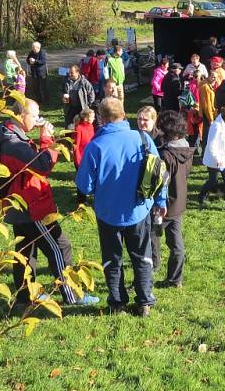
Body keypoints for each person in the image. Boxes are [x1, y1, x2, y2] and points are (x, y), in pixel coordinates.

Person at [0, 99, 99, 306]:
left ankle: (25, 296)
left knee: (25, 252)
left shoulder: (7, 134)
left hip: (17, 204)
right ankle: (72, 294)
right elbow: (42, 165)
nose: (39, 119)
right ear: (20, 116)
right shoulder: (13, 144)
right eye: (35, 115)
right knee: (60, 247)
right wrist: (47, 139)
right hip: (31, 206)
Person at [76, 97, 164, 315]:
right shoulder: (143, 138)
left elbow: (84, 186)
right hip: (139, 209)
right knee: (142, 255)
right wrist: (161, 201)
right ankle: (144, 301)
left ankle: (117, 303)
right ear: (124, 115)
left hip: (108, 213)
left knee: (112, 259)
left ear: (102, 119)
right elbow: (159, 173)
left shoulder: (95, 146)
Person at [152, 110, 194, 288]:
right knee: (176, 242)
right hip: (179, 201)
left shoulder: (166, 155)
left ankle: (152, 267)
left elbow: (161, 181)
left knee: (150, 237)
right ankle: (176, 278)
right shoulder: (187, 149)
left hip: (164, 205)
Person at [199, 104, 225, 212]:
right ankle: (201, 196)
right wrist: (217, 160)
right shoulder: (216, 126)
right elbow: (211, 145)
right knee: (213, 181)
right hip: (214, 159)